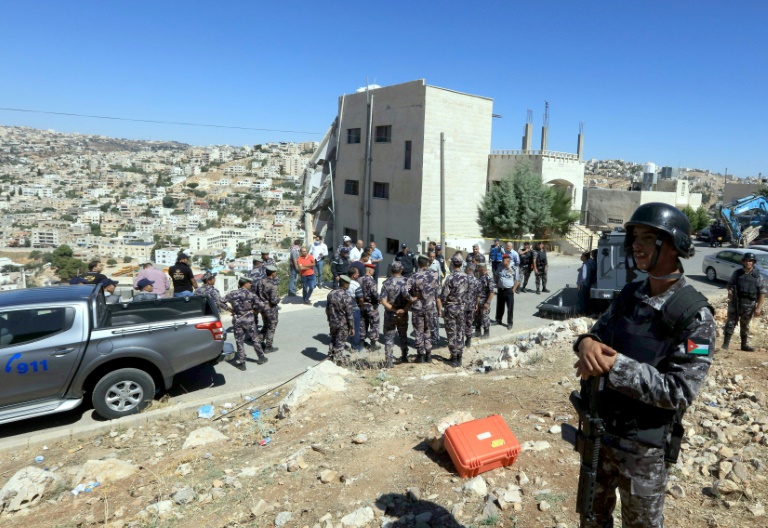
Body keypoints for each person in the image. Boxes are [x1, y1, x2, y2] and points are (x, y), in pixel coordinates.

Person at [572, 202, 715, 528]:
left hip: (644, 450)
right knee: (591, 518)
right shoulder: (631, 293)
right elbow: (596, 335)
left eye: (648, 238)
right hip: (600, 433)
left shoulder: (695, 315)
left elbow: (679, 392)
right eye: (635, 236)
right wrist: (585, 343)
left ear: (673, 245)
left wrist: (615, 366)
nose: (636, 244)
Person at [723, 251, 765, 351]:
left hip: (749, 304)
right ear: (743, 262)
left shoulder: (757, 276)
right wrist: (729, 292)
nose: (748, 263)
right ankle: (725, 344)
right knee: (730, 322)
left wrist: (758, 308)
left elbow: (762, 292)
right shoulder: (737, 273)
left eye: (750, 261)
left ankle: (744, 345)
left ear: (753, 263)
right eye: (746, 261)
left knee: (745, 324)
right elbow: (729, 284)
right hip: (735, 302)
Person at [224, 277, 267, 370]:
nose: (251, 285)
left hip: (237, 319)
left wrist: (230, 309)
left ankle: (242, 363)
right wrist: (255, 311)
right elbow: (262, 305)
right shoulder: (251, 294)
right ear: (245, 284)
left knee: (239, 341)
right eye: (249, 283)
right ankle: (261, 357)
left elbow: (220, 302)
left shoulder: (232, 293)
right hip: (249, 319)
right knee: (254, 338)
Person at [407, 256, 441, 363]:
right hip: (430, 308)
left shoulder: (414, 276)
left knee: (418, 331)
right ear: (427, 264)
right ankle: (429, 355)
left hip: (418, 308)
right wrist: (439, 309)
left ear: (418, 264)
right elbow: (437, 294)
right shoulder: (434, 275)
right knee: (427, 330)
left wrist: (412, 298)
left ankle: (421, 355)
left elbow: (404, 291)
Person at [380, 261, 411, 367]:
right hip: (403, 314)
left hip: (390, 314)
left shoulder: (386, 283)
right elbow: (410, 300)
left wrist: (394, 310)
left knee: (389, 338)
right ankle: (404, 357)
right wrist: (404, 310)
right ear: (401, 270)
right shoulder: (407, 282)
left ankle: (389, 362)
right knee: (403, 335)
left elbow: (383, 301)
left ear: (391, 270)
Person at [441, 255, 469, 367]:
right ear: (461, 264)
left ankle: (454, 357)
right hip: (462, 308)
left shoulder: (450, 278)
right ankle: (460, 356)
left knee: (452, 333)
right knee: (460, 332)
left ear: (453, 264)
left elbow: (443, 295)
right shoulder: (466, 277)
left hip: (451, 308)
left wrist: (444, 304)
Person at [326, 275, 355, 365]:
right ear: (345, 284)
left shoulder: (331, 293)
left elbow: (327, 309)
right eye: (348, 284)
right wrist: (352, 327)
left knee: (333, 339)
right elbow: (349, 314)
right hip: (343, 323)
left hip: (333, 321)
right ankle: (338, 360)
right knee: (341, 342)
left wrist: (329, 319)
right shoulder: (347, 297)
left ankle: (330, 356)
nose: (349, 285)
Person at [256, 265, 280, 353]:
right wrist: (278, 299)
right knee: (272, 326)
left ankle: (258, 340)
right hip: (270, 308)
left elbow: (256, 294)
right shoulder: (273, 285)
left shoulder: (260, 282)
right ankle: (268, 346)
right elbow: (273, 301)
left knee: (266, 325)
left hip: (262, 307)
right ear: (273, 273)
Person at [359, 263, 381, 351]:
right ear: (369, 270)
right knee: (374, 324)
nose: (373, 272)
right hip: (371, 305)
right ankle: (373, 344)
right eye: (373, 270)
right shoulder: (372, 281)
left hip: (361, 305)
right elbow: (374, 294)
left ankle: (361, 342)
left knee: (362, 324)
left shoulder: (359, 280)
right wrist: (379, 299)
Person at [494, 254, 519, 329]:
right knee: (499, 306)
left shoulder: (514, 268)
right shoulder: (500, 266)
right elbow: (496, 275)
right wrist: (497, 283)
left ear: (508, 261)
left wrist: (513, 290)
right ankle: (498, 320)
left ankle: (510, 323)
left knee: (510, 307)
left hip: (509, 290)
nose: (502, 261)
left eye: (503, 260)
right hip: (501, 290)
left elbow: (518, 280)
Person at [474, 262, 495, 339]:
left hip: (484, 302)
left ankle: (486, 333)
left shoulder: (488, 278)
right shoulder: (480, 277)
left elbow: (492, 292)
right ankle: (478, 332)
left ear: (482, 268)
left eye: (478, 268)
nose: (477, 270)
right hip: (478, 301)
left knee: (485, 317)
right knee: (477, 317)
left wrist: (487, 302)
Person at [346, 267, 365, 352]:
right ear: (354, 276)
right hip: (354, 308)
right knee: (355, 328)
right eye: (357, 273)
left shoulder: (343, 282)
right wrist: (361, 305)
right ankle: (355, 347)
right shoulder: (356, 285)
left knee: (347, 327)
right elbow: (360, 299)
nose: (358, 274)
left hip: (345, 307)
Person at [427, 250, 442, 345]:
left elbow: (439, 274)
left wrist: (440, 282)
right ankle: (430, 338)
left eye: (433, 256)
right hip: (428, 286)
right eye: (430, 256)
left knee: (435, 321)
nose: (432, 258)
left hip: (436, 285)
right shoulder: (426, 263)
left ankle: (435, 338)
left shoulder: (437, 263)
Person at [463, 264, 480, 347]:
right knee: (469, 323)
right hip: (471, 305)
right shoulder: (476, 281)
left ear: (467, 269)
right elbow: (478, 294)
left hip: (462, 305)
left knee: (461, 323)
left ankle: (460, 340)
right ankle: (468, 339)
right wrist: (476, 304)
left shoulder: (463, 279)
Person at [576, 252, 593, 316]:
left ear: (585, 257)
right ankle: (584, 312)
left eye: (582, 256)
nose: (581, 257)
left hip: (583, 285)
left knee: (581, 300)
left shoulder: (585, 265)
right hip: (587, 284)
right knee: (585, 299)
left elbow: (584, 277)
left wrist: (579, 284)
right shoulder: (589, 263)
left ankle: (581, 313)